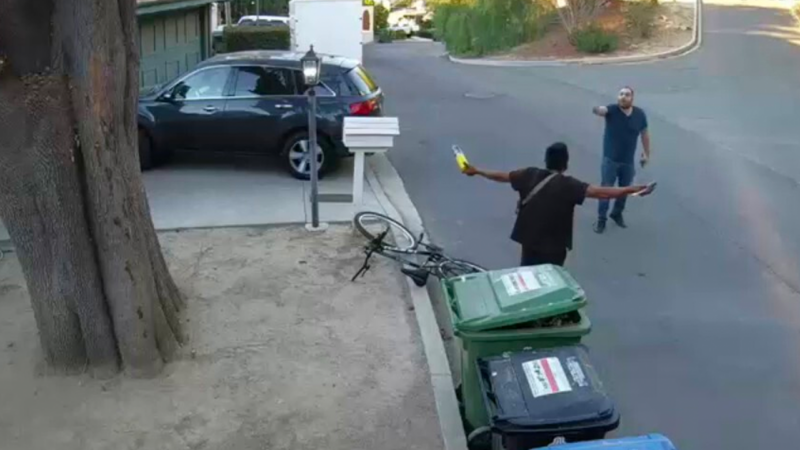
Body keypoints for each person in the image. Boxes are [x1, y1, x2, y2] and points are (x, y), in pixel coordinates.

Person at [462, 142, 652, 267]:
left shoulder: (528, 174)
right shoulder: (569, 185)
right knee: (550, 284)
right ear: (566, 164)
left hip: (529, 240)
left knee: (528, 276)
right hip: (554, 247)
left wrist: (477, 170)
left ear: (546, 160)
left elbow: (501, 176)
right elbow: (601, 192)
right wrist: (632, 189)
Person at [592, 86, 651, 234]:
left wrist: (646, 153)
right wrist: (597, 109)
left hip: (628, 161)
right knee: (606, 190)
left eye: (627, 94)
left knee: (624, 190)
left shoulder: (639, 114)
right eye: (621, 94)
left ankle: (616, 213)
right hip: (610, 160)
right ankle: (601, 219)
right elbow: (601, 110)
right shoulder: (612, 110)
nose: (623, 97)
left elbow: (644, 134)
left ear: (632, 98)